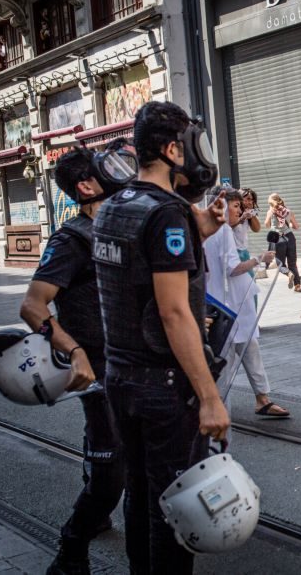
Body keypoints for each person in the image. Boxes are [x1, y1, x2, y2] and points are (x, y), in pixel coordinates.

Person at [92, 101, 230, 573]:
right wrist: (210, 398)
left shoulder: (114, 207)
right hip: (162, 388)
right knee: (173, 506)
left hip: (120, 376)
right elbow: (174, 313)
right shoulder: (168, 214)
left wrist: (200, 232)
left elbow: (141, 279)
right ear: (174, 150)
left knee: (140, 494)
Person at [20, 146, 130, 574]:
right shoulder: (72, 239)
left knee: (118, 451)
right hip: (97, 369)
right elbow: (33, 306)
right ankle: (71, 548)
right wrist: (75, 351)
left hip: (129, 364)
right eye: (109, 168)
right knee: (111, 472)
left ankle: (98, 508)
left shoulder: (123, 227)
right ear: (87, 185)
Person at [204, 188, 288, 417]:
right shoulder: (221, 232)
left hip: (235, 300)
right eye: (236, 206)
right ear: (220, 205)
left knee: (249, 348)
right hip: (228, 304)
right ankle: (218, 409)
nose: (240, 211)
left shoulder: (214, 231)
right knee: (227, 356)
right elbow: (233, 268)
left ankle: (262, 398)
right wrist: (258, 259)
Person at [264, 193, 301, 291]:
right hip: (290, 237)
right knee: (292, 263)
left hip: (278, 238)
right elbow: (296, 226)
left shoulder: (271, 211)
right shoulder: (288, 211)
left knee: (280, 264)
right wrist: (289, 225)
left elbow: (267, 225)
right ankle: (297, 286)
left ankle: (289, 273)